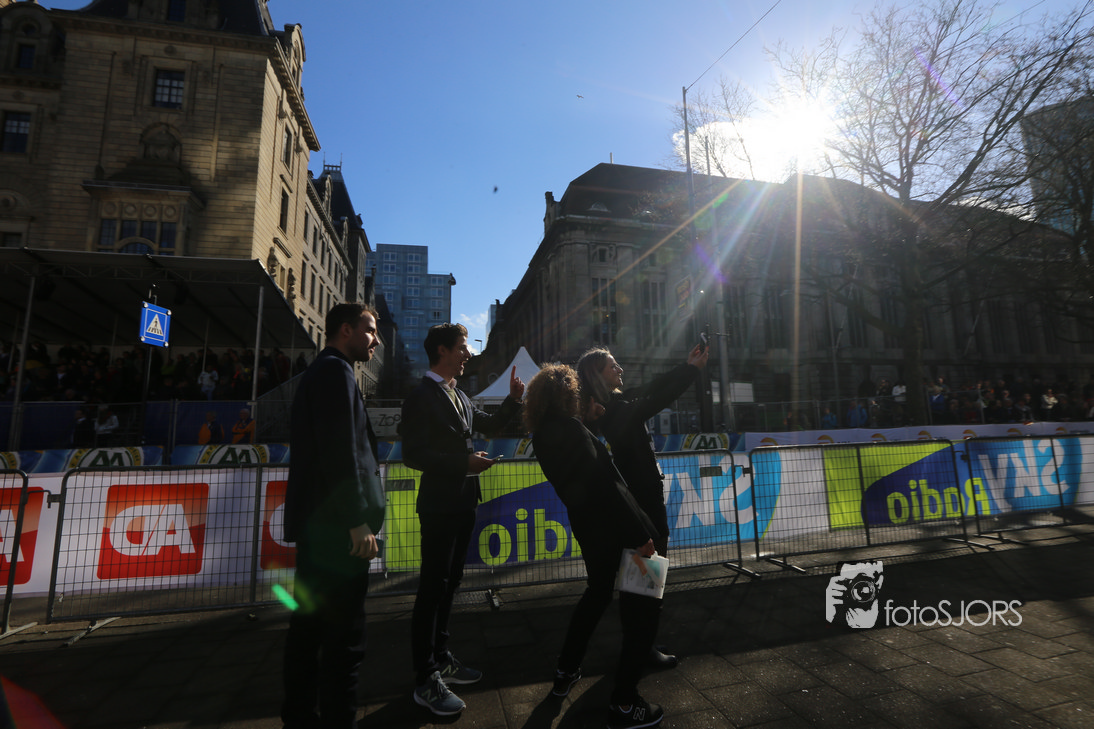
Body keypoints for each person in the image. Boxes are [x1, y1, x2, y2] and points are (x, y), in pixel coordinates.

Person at [526, 363, 663, 728]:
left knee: (598, 594)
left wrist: (588, 422)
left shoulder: (545, 433)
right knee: (644, 609)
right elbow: (605, 486)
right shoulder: (572, 430)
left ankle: (566, 669)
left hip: (591, 531)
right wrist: (641, 536)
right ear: (565, 396)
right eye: (575, 393)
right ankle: (625, 702)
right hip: (623, 529)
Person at [400, 323, 525, 716]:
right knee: (432, 589)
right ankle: (425, 678)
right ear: (442, 351)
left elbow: (488, 424)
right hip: (439, 505)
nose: (468, 353)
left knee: (450, 584)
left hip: (464, 502)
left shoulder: (458, 394)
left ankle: (441, 658)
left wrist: (513, 401)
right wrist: (462, 463)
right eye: (462, 347)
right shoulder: (421, 396)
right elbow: (412, 454)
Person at [281, 303, 385, 729]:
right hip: (337, 534)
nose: (376, 339)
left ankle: (299, 717)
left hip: (322, 528)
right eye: (370, 330)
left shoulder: (326, 371)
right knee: (344, 641)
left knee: (309, 631)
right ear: (346, 330)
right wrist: (356, 520)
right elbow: (340, 451)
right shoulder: (334, 372)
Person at [576, 341, 709, 669]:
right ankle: (640, 648)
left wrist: (686, 366)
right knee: (645, 575)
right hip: (642, 501)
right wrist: (691, 372)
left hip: (642, 497)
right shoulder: (612, 411)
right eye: (613, 366)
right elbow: (657, 399)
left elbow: (653, 385)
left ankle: (640, 643)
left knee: (643, 575)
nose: (620, 369)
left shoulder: (615, 402)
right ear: (598, 375)